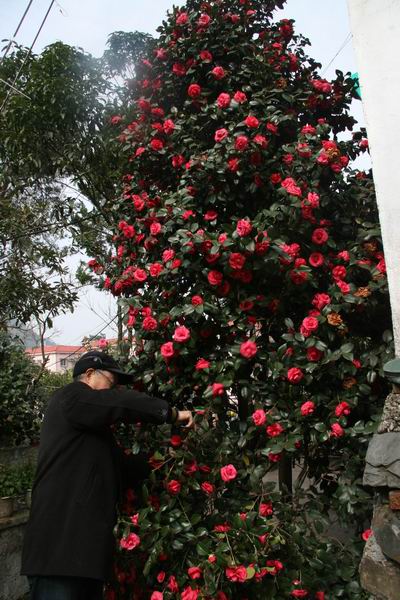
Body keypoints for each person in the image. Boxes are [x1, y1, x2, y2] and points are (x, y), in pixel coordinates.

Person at [21, 350, 193, 600]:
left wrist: (172, 460)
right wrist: (171, 414)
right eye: (111, 384)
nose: (113, 393)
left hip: (84, 561)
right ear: (89, 374)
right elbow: (118, 403)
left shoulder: (94, 436)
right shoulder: (69, 397)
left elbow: (126, 467)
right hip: (57, 557)